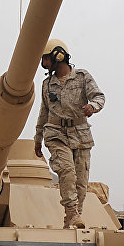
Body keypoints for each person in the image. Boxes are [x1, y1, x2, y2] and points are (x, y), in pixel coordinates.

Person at [33, 39, 105, 229]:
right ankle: (72, 213)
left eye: (47, 59)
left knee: (81, 182)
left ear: (59, 55)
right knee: (67, 172)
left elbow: (99, 96)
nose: (44, 64)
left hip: (80, 135)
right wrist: (38, 139)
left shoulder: (82, 77)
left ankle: (72, 220)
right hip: (55, 133)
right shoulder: (47, 84)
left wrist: (93, 107)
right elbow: (44, 112)